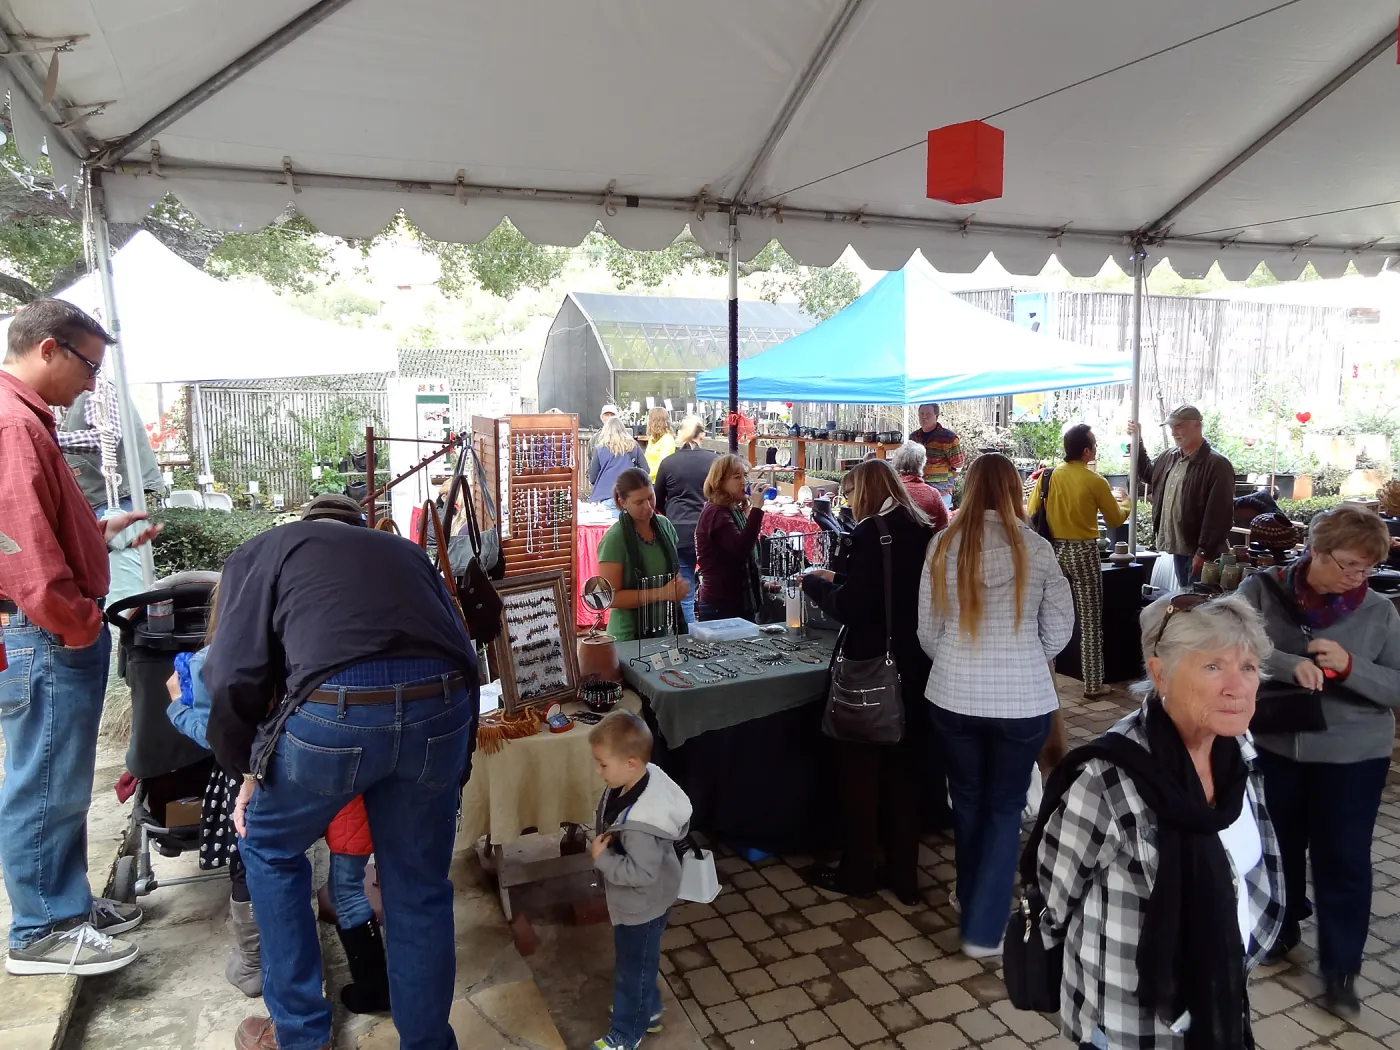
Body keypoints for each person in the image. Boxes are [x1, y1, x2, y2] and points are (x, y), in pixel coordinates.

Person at [202, 492, 479, 1050]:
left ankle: (301, 1035)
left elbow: (231, 675)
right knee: (419, 886)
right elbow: (463, 651)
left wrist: (245, 768)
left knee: (269, 849)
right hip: (443, 703)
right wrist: (456, 766)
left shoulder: (267, 549)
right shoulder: (405, 552)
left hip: (336, 713)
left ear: (307, 524)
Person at [1038, 592, 1285, 1050]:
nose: (1238, 686)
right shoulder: (1108, 777)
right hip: (1130, 1018)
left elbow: (1251, 869)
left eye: (1248, 667)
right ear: (1160, 673)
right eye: (1213, 667)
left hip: (1221, 996)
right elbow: (1056, 893)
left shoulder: (1237, 752)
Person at [0, 299, 161, 977]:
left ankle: (64, 905)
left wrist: (99, 533)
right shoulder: (13, 425)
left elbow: (45, 530)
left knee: (63, 781)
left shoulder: (28, 423)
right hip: (45, 634)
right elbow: (24, 554)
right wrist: (77, 625)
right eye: (88, 365)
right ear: (48, 350)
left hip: (51, 630)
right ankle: (40, 928)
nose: (92, 384)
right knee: (44, 781)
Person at [166, 576, 390, 1013]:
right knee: (346, 885)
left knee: (268, 872)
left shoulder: (219, 658)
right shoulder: (326, 640)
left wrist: (177, 706)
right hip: (350, 771)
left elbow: (223, 738)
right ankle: (375, 984)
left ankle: (277, 988)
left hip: (270, 783)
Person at [1237, 504, 1400, 1017]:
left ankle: (1341, 971)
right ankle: (1279, 931)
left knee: (1343, 860)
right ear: (1314, 551)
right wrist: (1288, 664)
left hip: (1353, 756)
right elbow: (1228, 645)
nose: (1356, 578)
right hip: (1277, 747)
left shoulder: (1379, 611)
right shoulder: (1261, 591)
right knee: (1275, 847)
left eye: (1366, 569)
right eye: (1348, 565)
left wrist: (1351, 668)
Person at [917, 452, 1074, 957]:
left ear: (968, 487)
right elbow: (1059, 631)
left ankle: (970, 899)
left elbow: (928, 633)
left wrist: (962, 660)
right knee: (1005, 805)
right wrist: (1025, 656)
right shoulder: (1037, 549)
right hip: (1023, 699)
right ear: (1012, 490)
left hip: (953, 694)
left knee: (967, 799)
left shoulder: (942, 544)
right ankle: (985, 928)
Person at [801, 460, 935, 903]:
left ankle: (857, 873)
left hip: (872, 665)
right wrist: (839, 578)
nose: (849, 503)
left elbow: (854, 606)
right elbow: (888, 587)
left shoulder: (869, 531)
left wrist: (816, 587)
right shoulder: (920, 526)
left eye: (851, 493)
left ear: (864, 490)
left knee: (860, 774)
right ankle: (905, 876)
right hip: (914, 663)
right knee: (906, 774)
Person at [588, 710, 692, 1050]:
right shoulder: (639, 778)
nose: (598, 771)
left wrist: (603, 860)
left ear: (631, 763)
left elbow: (642, 874)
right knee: (640, 962)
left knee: (633, 969)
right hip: (645, 902)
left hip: (642, 906)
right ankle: (647, 1011)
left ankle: (625, 1033)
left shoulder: (640, 826)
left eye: (603, 764)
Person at [1027, 424, 1130, 699]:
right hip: (1084, 552)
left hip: (1052, 551)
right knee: (1090, 621)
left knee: (1046, 617)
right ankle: (1093, 684)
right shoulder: (1095, 481)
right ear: (1086, 451)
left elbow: (1030, 511)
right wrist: (1127, 503)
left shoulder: (1047, 477)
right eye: (1094, 445)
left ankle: (1047, 681)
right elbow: (1115, 519)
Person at [59, 380, 167, 607]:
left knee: (123, 576)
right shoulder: (77, 394)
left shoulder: (95, 389)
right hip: (102, 496)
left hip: (111, 496)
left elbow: (106, 437)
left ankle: (129, 628)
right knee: (118, 568)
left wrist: (50, 438)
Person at [1130, 405, 1235, 587]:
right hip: (1180, 548)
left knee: (1199, 605)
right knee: (1186, 600)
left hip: (1200, 552)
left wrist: (1203, 552)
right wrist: (1138, 441)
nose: (1173, 432)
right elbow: (1148, 473)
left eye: (1178, 426)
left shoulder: (1217, 464)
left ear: (1197, 426)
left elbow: (1220, 514)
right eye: (1171, 427)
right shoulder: (1169, 456)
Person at [596, 469, 689, 642]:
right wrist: (662, 593)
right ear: (622, 502)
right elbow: (610, 597)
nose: (648, 506)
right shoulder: (615, 539)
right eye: (639, 502)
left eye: (650, 497)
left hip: (665, 630)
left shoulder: (664, 525)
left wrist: (679, 587)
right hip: (628, 636)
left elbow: (673, 576)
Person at [654, 416, 716, 624]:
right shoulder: (713, 460)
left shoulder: (669, 462)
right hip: (709, 529)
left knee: (686, 587)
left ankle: (691, 633)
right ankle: (713, 629)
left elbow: (657, 497)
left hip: (678, 529)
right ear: (701, 435)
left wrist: (671, 512)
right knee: (713, 582)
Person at [693, 455, 764, 622]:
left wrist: (761, 584)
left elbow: (735, 562)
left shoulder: (731, 509)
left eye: (745, 475)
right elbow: (741, 549)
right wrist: (757, 509)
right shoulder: (716, 513)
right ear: (720, 482)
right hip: (721, 606)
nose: (744, 482)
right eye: (737, 476)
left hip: (734, 602)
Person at [589, 416, 647, 513]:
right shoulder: (633, 446)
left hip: (605, 497)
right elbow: (645, 470)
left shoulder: (599, 448)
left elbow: (593, 477)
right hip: (628, 496)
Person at [907, 402, 964, 498]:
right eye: (921, 414)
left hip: (941, 493)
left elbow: (958, 464)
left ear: (936, 416)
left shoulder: (948, 438)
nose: (924, 417)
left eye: (928, 414)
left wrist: (945, 478)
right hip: (918, 491)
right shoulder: (913, 437)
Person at [891, 439, 950, 530]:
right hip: (925, 543)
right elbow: (943, 528)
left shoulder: (888, 490)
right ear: (922, 463)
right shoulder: (932, 494)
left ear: (896, 462)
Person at [644, 408, 676, 481]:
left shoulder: (668, 439)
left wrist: (644, 474)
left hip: (659, 482)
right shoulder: (652, 439)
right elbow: (645, 460)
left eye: (650, 419)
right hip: (648, 480)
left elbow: (662, 465)